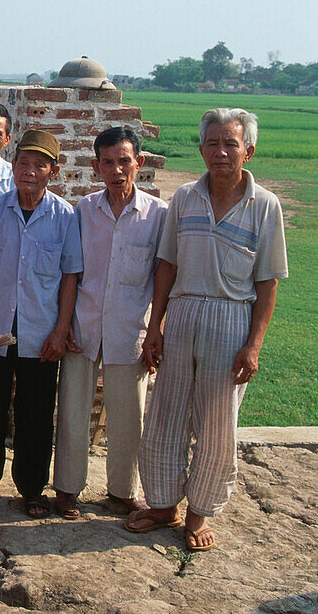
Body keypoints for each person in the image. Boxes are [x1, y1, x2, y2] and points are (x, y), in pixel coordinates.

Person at [128, 108, 287, 552]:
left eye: (230, 144)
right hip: (181, 314)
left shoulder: (265, 205)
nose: (220, 152)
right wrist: (155, 325)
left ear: (248, 151)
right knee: (166, 414)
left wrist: (253, 345)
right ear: (201, 149)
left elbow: (267, 281)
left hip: (230, 317)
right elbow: (167, 264)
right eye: (212, 143)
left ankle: (198, 514)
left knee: (218, 425)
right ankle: (162, 506)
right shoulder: (184, 198)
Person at [0, 129, 82, 519]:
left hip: (40, 334)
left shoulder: (64, 216)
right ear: (13, 168)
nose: (29, 172)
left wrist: (61, 329)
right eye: (23, 163)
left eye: (39, 165)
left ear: (53, 172)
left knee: (35, 414)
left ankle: (31, 489)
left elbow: (70, 277)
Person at [53, 127, 166, 519]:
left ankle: (121, 492)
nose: (116, 170)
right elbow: (72, 271)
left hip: (130, 329)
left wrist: (156, 330)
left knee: (128, 416)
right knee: (72, 410)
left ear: (140, 162)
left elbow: (163, 278)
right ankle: (67, 489)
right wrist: (64, 322)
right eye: (108, 162)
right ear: (96, 165)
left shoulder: (158, 215)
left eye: (124, 161)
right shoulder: (85, 209)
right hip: (83, 326)